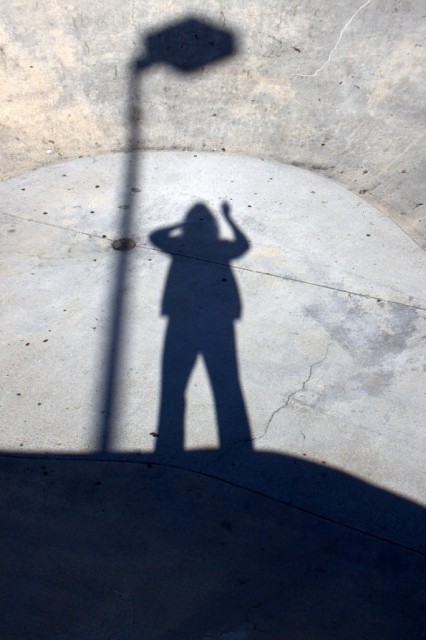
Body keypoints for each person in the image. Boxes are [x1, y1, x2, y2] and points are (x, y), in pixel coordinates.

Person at [150, 201, 251, 451]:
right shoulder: (222, 247)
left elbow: (156, 237)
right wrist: (229, 219)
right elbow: (243, 244)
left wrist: (183, 225)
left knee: (173, 388)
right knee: (226, 383)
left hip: (178, 320)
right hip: (220, 321)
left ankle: (168, 451)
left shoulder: (178, 246)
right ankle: (237, 451)